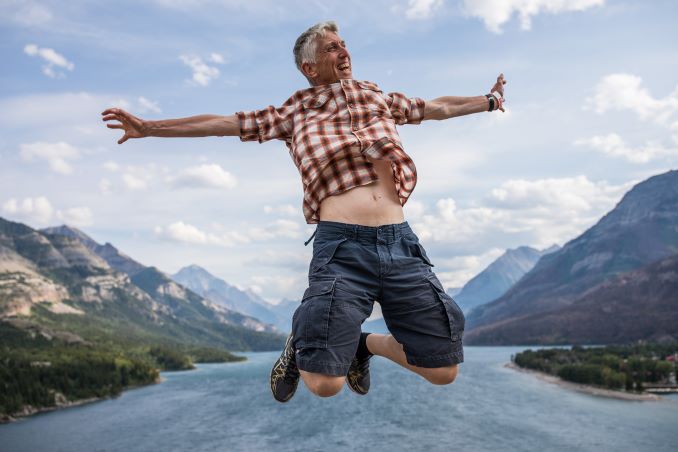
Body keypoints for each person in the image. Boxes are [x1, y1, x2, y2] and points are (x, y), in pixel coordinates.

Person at [102, 21, 506, 403]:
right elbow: (223, 122)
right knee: (324, 384)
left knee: (443, 370)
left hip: (401, 244)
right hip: (342, 248)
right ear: (309, 67)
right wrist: (151, 127)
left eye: (343, 43)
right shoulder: (293, 113)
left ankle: (363, 345)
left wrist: (489, 101)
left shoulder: (378, 97)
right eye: (332, 47)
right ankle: (306, 342)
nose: (343, 50)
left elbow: (438, 107)